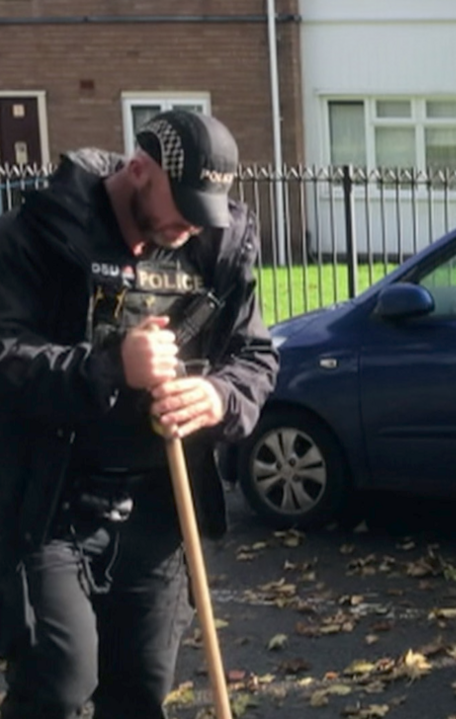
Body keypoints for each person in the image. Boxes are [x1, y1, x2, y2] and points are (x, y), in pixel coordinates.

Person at [0, 110, 278, 718]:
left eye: (205, 208)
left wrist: (220, 397)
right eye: (180, 203)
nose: (189, 224)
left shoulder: (219, 242)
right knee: (59, 687)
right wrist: (108, 366)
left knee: (142, 692)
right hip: (51, 505)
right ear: (138, 169)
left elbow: (255, 357)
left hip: (159, 506)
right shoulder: (41, 231)